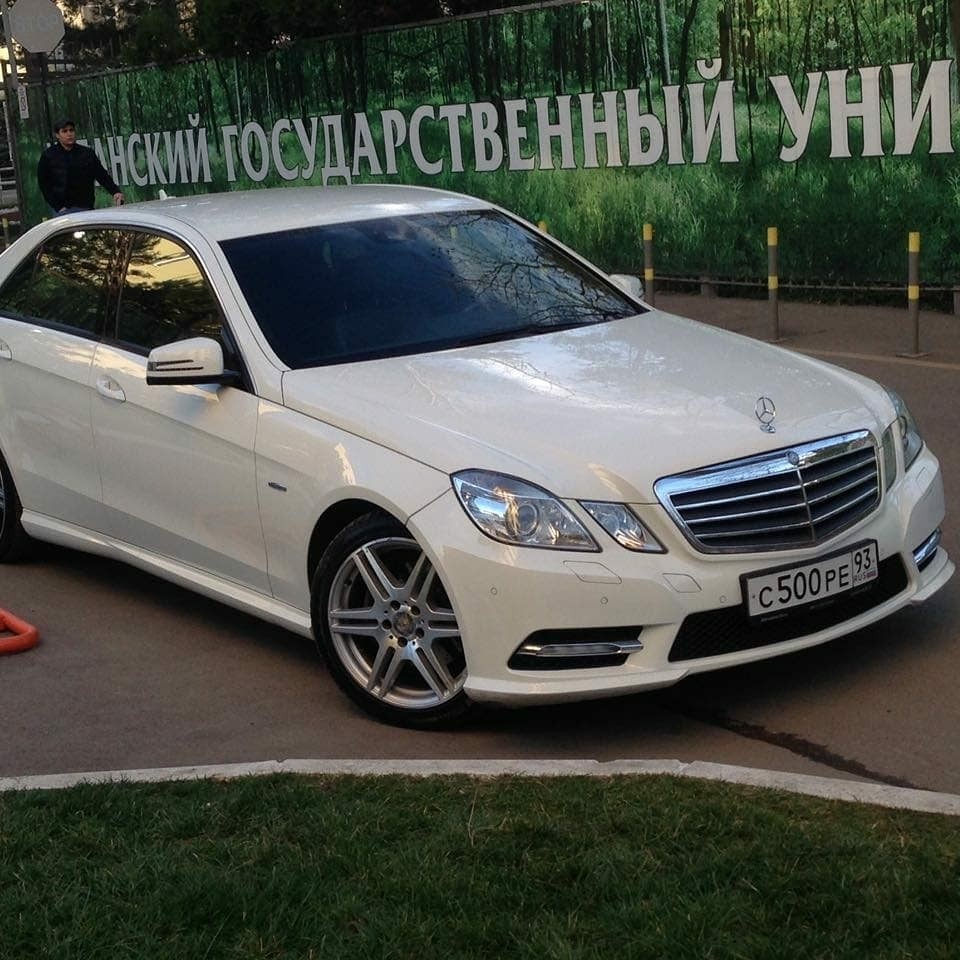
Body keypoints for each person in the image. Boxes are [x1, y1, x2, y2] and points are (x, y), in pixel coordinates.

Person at [37, 118, 125, 215]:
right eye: (64, 131)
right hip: (63, 209)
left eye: (71, 130)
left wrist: (115, 191)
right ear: (57, 135)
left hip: (85, 207)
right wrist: (58, 207)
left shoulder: (86, 153)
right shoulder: (49, 156)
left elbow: (101, 175)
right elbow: (44, 184)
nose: (69, 134)